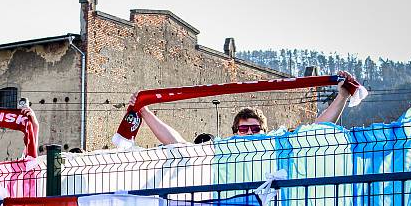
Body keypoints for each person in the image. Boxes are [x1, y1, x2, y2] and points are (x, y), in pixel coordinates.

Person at [130, 70, 360, 145]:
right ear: (234, 131)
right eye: (244, 129)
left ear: (264, 130)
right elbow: (178, 144)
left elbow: (316, 130)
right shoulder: (224, 149)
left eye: (254, 129)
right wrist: (144, 111)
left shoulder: (274, 146)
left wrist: (341, 97)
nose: (249, 133)